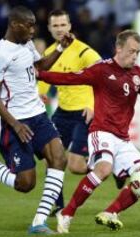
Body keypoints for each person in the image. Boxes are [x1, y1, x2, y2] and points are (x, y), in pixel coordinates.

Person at [38, 29, 140, 233]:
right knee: (103, 169)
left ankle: (110, 212)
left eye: (138, 52)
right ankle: (67, 213)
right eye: (131, 51)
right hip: (101, 131)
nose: (135, 56)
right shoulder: (101, 70)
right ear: (118, 48)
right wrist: (39, 74)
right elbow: (69, 78)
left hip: (123, 139)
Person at [0, 6, 73, 235]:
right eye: (29, 25)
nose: (33, 30)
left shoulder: (26, 44)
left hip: (39, 116)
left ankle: (38, 223)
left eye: (34, 25)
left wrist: (61, 47)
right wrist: (15, 124)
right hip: (16, 123)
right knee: (25, 184)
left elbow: (41, 67)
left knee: (59, 158)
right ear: (15, 25)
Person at [37, 10, 101, 213]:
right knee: (51, 159)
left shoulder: (84, 52)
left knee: (75, 166)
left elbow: (103, 78)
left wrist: (92, 105)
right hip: (62, 113)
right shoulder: (48, 54)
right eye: (55, 26)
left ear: (70, 26)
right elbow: (42, 82)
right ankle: (58, 205)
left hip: (84, 113)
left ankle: (108, 168)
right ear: (49, 28)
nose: (59, 29)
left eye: (63, 25)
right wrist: (39, 95)